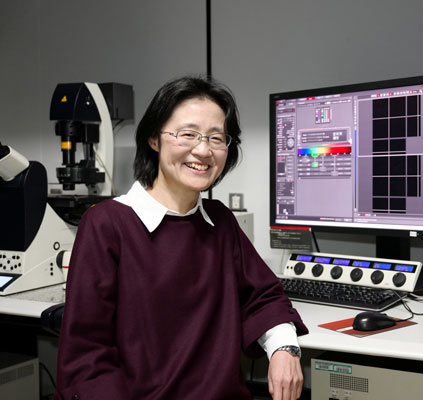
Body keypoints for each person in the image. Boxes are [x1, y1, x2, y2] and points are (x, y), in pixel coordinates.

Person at [54, 75, 308, 400]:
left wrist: (284, 349)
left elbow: (264, 296)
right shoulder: (107, 225)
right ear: (154, 139)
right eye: (187, 134)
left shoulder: (220, 222)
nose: (203, 150)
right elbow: (86, 358)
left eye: (216, 138)